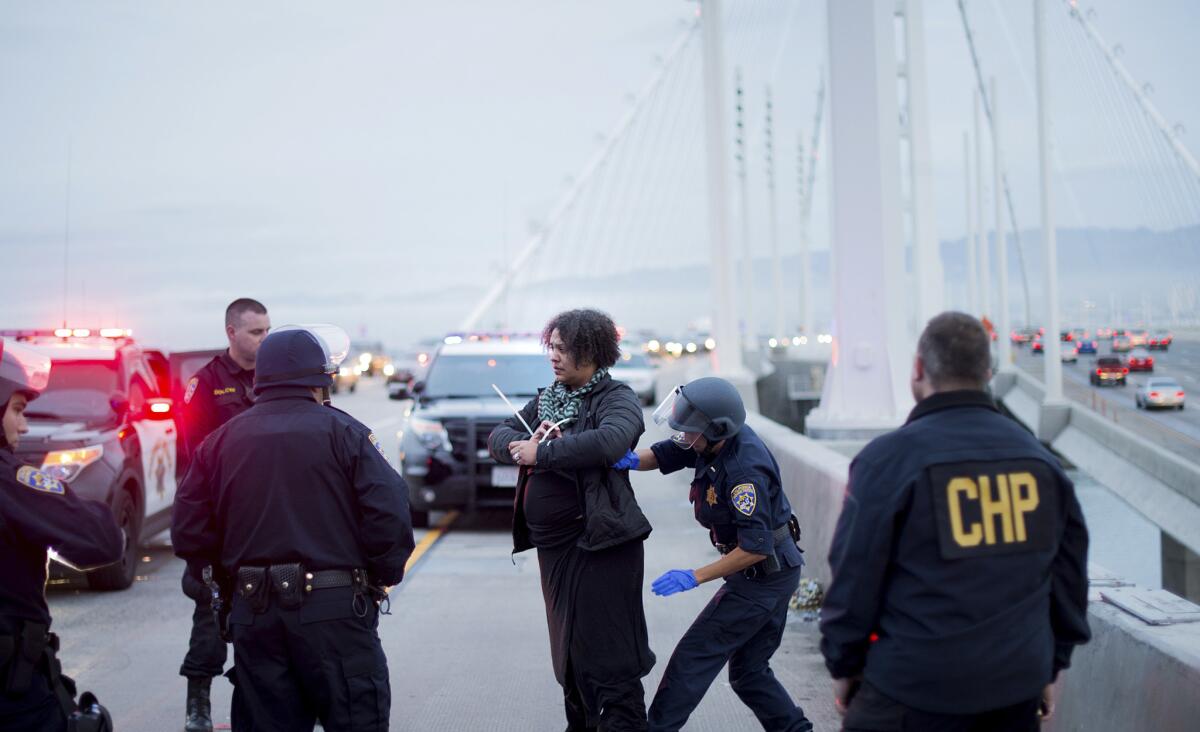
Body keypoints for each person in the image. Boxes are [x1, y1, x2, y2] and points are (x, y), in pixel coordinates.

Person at [819, 311, 1091, 731]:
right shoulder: (1042, 464)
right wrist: (1051, 665)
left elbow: (854, 578)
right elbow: (1069, 580)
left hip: (909, 691)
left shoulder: (887, 462)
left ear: (917, 370)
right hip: (1014, 692)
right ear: (987, 372)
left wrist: (844, 665)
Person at [171, 324, 415, 731]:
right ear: (320, 382)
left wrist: (225, 590)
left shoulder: (219, 442)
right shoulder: (346, 433)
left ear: (259, 382)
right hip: (335, 613)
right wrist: (379, 579)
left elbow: (189, 531)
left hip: (254, 614)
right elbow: (390, 513)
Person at [615, 376, 813, 732]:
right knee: (749, 673)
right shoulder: (710, 442)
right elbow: (670, 453)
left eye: (691, 431)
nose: (685, 437)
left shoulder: (743, 472)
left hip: (762, 577)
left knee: (693, 657)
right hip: (774, 573)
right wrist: (629, 461)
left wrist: (694, 576)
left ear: (717, 430)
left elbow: (755, 547)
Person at [489, 308, 654, 732]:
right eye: (552, 348)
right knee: (570, 655)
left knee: (610, 656)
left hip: (601, 543)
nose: (554, 357)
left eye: (563, 349)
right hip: (556, 548)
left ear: (591, 353)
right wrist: (521, 443)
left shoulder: (617, 398)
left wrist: (542, 453)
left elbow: (610, 441)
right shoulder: (547, 398)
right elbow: (499, 434)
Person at [0, 338, 123, 731]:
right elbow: (101, 541)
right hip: (13, 692)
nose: (23, 424)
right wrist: (62, 496)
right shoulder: (12, 480)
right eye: (17, 410)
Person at [177, 297, 270, 732]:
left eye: (268, 331)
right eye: (256, 332)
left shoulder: (277, 378)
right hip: (221, 517)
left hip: (265, 514)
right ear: (232, 333)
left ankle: (256, 702)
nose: (264, 339)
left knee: (265, 617)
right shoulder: (206, 383)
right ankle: (198, 704)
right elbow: (194, 458)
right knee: (211, 614)